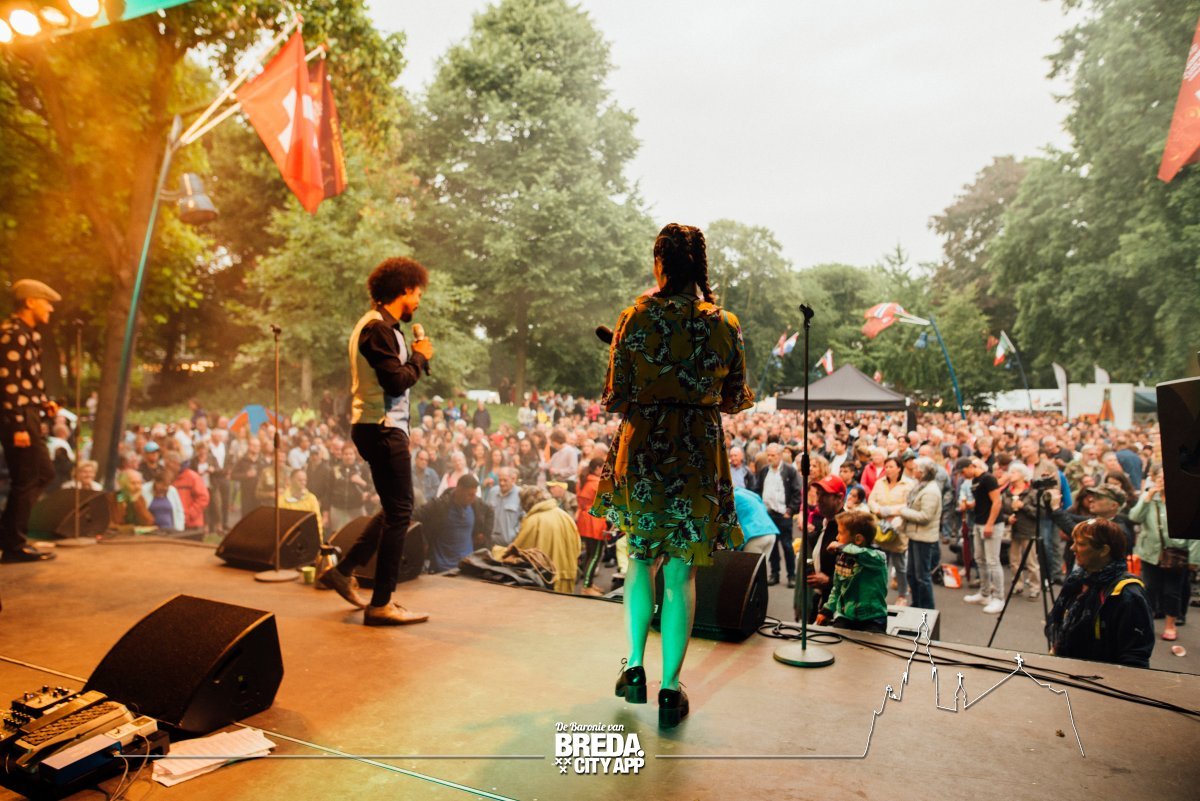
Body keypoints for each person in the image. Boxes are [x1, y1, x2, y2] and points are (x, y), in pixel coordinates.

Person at [594, 223, 753, 728]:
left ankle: (634, 666)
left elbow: (614, 396)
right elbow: (735, 399)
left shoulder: (634, 316)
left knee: (641, 559)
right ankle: (669, 689)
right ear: (700, 268)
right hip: (696, 454)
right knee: (682, 571)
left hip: (643, 449)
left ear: (659, 263)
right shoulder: (724, 323)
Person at [318, 257, 433, 626]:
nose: (418, 302)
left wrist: (416, 357)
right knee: (400, 512)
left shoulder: (381, 327)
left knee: (394, 507)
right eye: (417, 294)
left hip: (378, 427)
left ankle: (343, 571)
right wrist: (419, 357)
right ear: (404, 290)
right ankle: (381, 603)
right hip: (381, 427)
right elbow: (395, 382)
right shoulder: (376, 329)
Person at [0, 279, 61, 562]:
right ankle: (13, 544)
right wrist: (18, 425)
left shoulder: (27, 334)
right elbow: (7, 383)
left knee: (41, 474)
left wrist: (41, 401)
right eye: (46, 302)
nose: (50, 308)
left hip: (28, 413)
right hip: (18, 418)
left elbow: (24, 381)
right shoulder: (13, 334)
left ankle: (10, 535)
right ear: (30, 302)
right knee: (27, 478)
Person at [1046, 518, 1155, 668]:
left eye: (1081, 544)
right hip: (1070, 670)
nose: (1072, 548)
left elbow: (1135, 658)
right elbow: (1061, 628)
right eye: (1073, 542)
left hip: (1101, 677)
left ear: (1104, 550)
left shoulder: (1128, 594)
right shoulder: (1077, 580)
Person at [1129, 466, 1196, 643]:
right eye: (1160, 478)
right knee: (1150, 589)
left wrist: (1195, 558)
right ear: (1154, 479)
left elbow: (1194, 531)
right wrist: (1146, 499)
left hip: (1177, 553)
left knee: (1172, 591)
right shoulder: (1149, 498)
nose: (1163, 481)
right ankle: (1146, 623)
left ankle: (1170, 625)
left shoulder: (1185, 499)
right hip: (1151, 552)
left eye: (1167, 478)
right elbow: (1134, 517)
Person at [815, 510, 889, 633]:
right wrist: (827, 610)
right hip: (846, 616)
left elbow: (863, 554)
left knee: (871, 644)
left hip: (872, 618)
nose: (837, 538)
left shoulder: (877, 558)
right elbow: (837, 588)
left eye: (840, 533)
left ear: (858, 539)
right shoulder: (843, 558)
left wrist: (841, 547)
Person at [417, 474, 493, 573]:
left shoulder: (476, 505)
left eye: (474, 494)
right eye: (470, 494)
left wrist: (484, 533)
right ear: (459, 490)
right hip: (441, 568)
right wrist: (423, 541)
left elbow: (490, 511)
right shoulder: (440, 505)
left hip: (466, 566)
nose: (473, 498)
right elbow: (415, 516)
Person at [512, 485, 581, 594]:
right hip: (567, 577)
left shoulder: (533, 521)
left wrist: (498, 552)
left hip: (545, 581)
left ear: (526, 503)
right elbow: (577, 548)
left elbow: (519, 551)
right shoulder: (565, 516)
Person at [897, 457, 943, 610]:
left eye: (917, 468)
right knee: (912, 574)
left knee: (922, 577)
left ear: (923, 472)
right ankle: (916, 605)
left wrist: (903, 512)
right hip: (915, 535)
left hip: (924, 538)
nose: (913, 470)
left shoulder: (930, 491)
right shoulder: (922, 487)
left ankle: (926, 610)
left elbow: (925, 516)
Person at [867, 455, 913, 605]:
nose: (888, 469)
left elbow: (909, 504)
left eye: (891, 466)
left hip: (898, 527)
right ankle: (880, 593)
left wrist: (891, 511)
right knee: (881, 564)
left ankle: (902, 595)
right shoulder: (879, 482)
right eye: (886, 467)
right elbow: (871, 500)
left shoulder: (908, 484)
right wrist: (879, 510)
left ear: (899, 468)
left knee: (900, 565)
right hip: (881, 527)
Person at [754, 442, 801, 588]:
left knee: (787, 546)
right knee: (772, 546)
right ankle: (774, 573)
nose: (769, 458)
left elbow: (797, 492)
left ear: (780, 456)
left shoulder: (790, 471)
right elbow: (757, 489)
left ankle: (791, 575)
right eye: (768, 455)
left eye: (773, 455)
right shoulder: (764, 471)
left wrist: (790, 511)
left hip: (783, 514)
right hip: (768, 514)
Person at [963, 458, 1005, 614]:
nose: (963, 475)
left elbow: (997, 501)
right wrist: (971, 505)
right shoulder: (975, 480)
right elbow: (983, 499)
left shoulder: (988, 478)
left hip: (991, 524)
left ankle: (999, 598)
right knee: (980, 559)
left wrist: (990, 524)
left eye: (963, 471)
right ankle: (985, 593)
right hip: (979, 522)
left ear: (970, 467)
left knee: (993, 560)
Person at [1000, 463, 1041, 599]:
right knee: (1014, 560)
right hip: (1012, 530)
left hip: (1028, 530)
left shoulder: (1032, 492)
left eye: (1014, 472)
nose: (1011, 475)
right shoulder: (1007, 492)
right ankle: (1017, 584)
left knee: (1031, 561)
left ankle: (1035, 587)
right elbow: (1001, 511)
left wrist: (1024, 506)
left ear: (1023, 475)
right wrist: (1007, 518)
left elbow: (1039, 513)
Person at [576, 457, 609, 596]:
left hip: (585, 518)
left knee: (590, 553)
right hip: (595, 520)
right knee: (595, 555)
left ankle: (588, 583)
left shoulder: (584, 480)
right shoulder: (597, 483)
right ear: (597, 468)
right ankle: (586, 587)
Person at [278, 469, 324, 538]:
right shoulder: (282, 499)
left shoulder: (311, 498)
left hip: (307, 537)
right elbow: (279, 522)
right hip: (288, 537)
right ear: (291, 480)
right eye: (300, 480)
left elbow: (317, 521)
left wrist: (319, 538)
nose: (303, 482)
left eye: (305, 480)